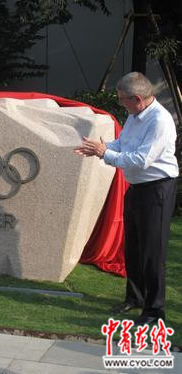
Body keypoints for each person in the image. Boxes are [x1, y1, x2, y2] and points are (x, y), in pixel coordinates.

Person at [75, 72, 179, 325]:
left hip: (157, 189)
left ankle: (155, 310)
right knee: (132, 247)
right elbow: (124, 145)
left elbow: (141, 160)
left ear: (138, 99)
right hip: (137, 188)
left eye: (123, 99)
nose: (121, 103)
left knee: (152, 251)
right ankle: (135, 297)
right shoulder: (135, 116)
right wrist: (101, 149)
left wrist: (104, 154)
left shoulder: (160, 121)